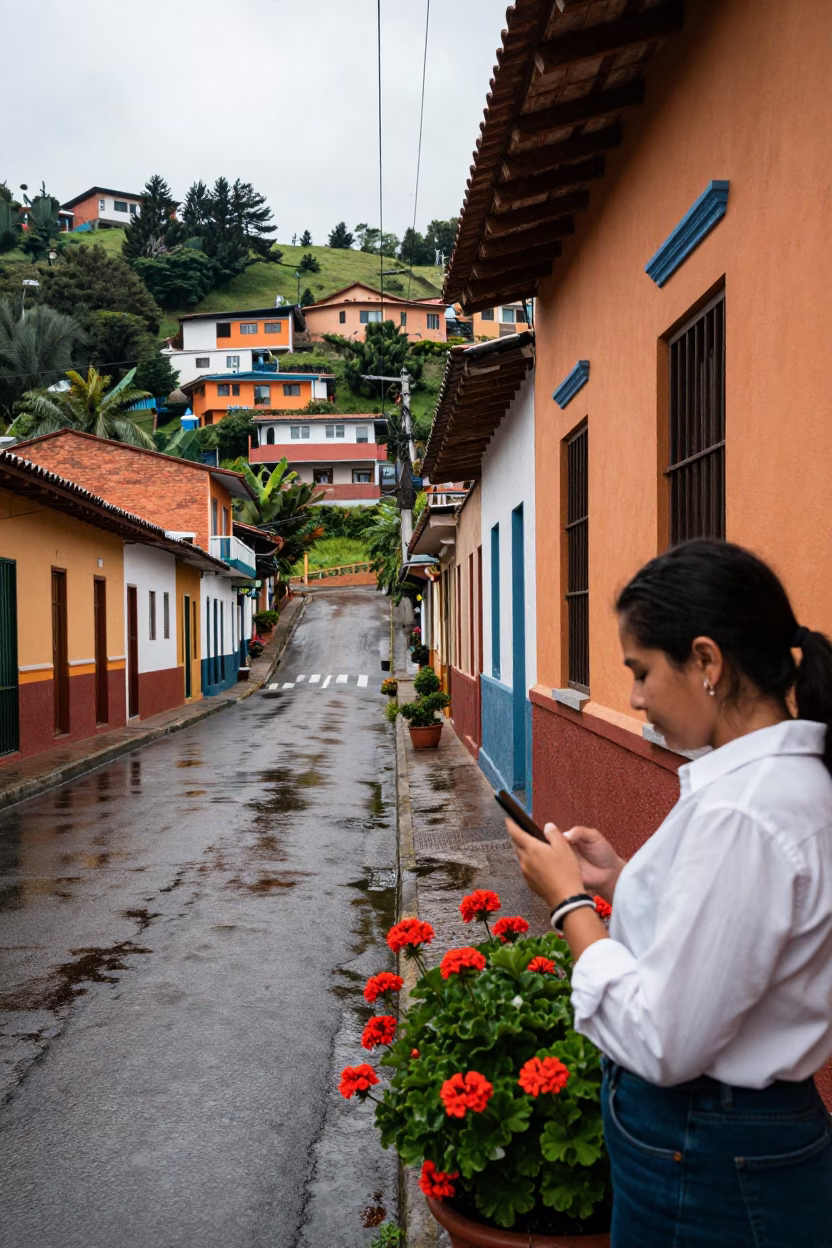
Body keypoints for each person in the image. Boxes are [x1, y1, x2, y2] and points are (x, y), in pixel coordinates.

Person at [505, 539, 832, 1248]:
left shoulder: (745, 810)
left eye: (642, 671)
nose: (633, 698)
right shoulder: (777, 786)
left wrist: (570, 907)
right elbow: (741, 931)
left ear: (707, 663)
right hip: (729, 1140)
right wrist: (620, 877)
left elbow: (664, 1037)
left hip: (706, 1148)